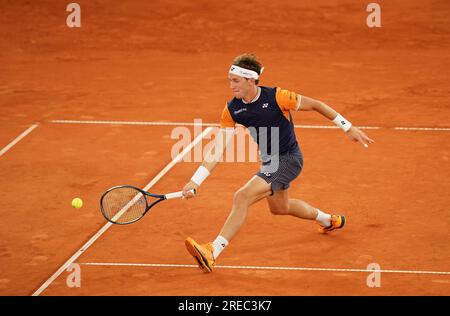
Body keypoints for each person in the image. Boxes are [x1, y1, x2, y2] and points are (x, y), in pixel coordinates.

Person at [181, 53, 374, 273]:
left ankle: (212, 251)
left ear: (251, 80)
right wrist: (195, 181)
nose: (231, 85)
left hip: (290, 159)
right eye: (230, 80)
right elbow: (218, 149)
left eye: (236, 80)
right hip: (270, 163)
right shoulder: (232, 110)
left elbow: (316, 105)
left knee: (241, 196)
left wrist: (348, 127)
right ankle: (329, 220)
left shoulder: (278, 97)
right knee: (281, 208)